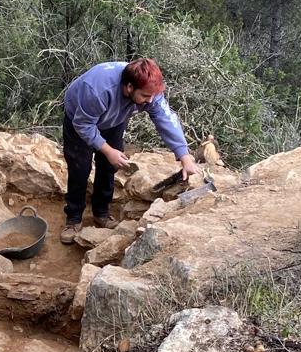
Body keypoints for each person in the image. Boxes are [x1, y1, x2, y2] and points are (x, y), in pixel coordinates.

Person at [60, 57, 200, 244]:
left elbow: (166, 119)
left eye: (152, 96)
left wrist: (184, 156)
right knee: (80, 167)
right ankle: (73, 217)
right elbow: (83, 124)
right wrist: (108, 150)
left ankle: (101, 212)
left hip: (114, 120)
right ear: (129, 87)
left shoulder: (150, 91)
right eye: (145, 96)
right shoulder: (97, 90)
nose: (150, 101)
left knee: (109, 167)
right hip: (79, 119)